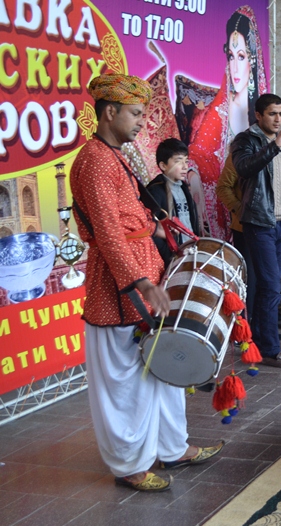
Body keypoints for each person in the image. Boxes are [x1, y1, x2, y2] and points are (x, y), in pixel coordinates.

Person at [70, 74, 224, 492]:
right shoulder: (95, 160)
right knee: (124, 383)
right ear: (110, 112)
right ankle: (129, 465)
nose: (142, 122)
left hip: (144, 279)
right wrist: (139, 280)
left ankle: (173, 447)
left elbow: (126, 218)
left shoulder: (113, 156)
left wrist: (156, 230)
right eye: (136, 114)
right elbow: (107, 233)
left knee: (161, 369)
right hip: (118, 290)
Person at [231, 93, 281, 368]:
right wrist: (275, 145)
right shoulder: (246, 140)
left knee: (271, 286)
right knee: (271, 286)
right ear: (258, 115)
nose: (278, 119)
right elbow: (244, 168)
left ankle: (262, 342)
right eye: (272, 114)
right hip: (260, 221)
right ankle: (271, 349)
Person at [188, 7, 268, 241]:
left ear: (253, 59)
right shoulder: (219, 110)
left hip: (260, 204)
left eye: (241, 56)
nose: (235, 67)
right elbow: (196, 156)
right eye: (231, 56)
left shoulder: (263, 114)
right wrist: (194, 175)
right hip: (231, 205)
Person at [147, 138, 200, 266]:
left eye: (186, 161)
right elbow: (150, 229)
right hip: (172, 257)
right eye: (178, 161)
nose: (185, 167)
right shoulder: (155, 191)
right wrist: (169, 256)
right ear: (163, 166)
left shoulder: (184, 188)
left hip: (189, 251)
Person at [217, 153, 256, 320]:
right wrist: (240, 210)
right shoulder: (240, 154)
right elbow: (223, 187)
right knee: (250, 280)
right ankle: (247, 323)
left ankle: (264, 325)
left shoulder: (280, 149)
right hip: (245, 227)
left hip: (274, 227)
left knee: (269, 280)